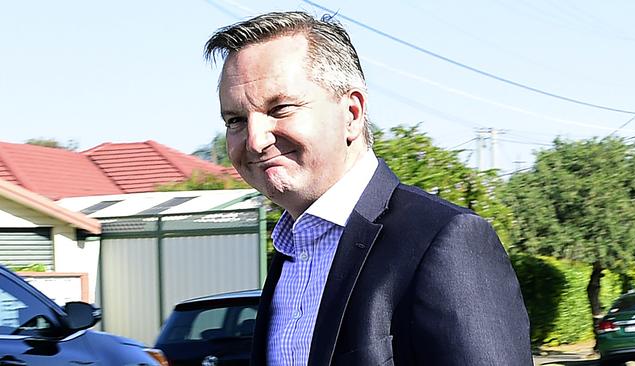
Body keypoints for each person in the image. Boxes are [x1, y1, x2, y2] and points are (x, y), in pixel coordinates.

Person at [204, 11, 532, 366]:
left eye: (280, 108)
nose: (254, 140)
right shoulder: (290, 254)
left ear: (352, 113)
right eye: (236, 120)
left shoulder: (444, 239)